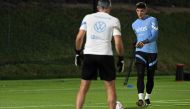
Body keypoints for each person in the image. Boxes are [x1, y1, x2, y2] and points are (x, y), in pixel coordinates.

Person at [74, 0, 125, 109]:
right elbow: (118, 42)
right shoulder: (114, 20)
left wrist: (78, 53)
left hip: (89, 55)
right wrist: (121, 58)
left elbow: (79, 37)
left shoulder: (88, 17)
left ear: (98, 7)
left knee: (83, 87)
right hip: (106, 55)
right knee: (110, 87)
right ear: (109, 8)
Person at [131, 2, 159, 107]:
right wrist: (136, 43)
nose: (140, 13)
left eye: (142, 10)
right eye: (138, 10)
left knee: (150, 77)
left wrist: (144, 42)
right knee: (140, 74)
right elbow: (139, 37)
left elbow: (154, 36)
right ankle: (140, 99)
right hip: (140, 52)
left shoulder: (153, 20)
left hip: (152, 52)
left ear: (146, 10)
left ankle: (147, 97)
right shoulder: (134, 24)